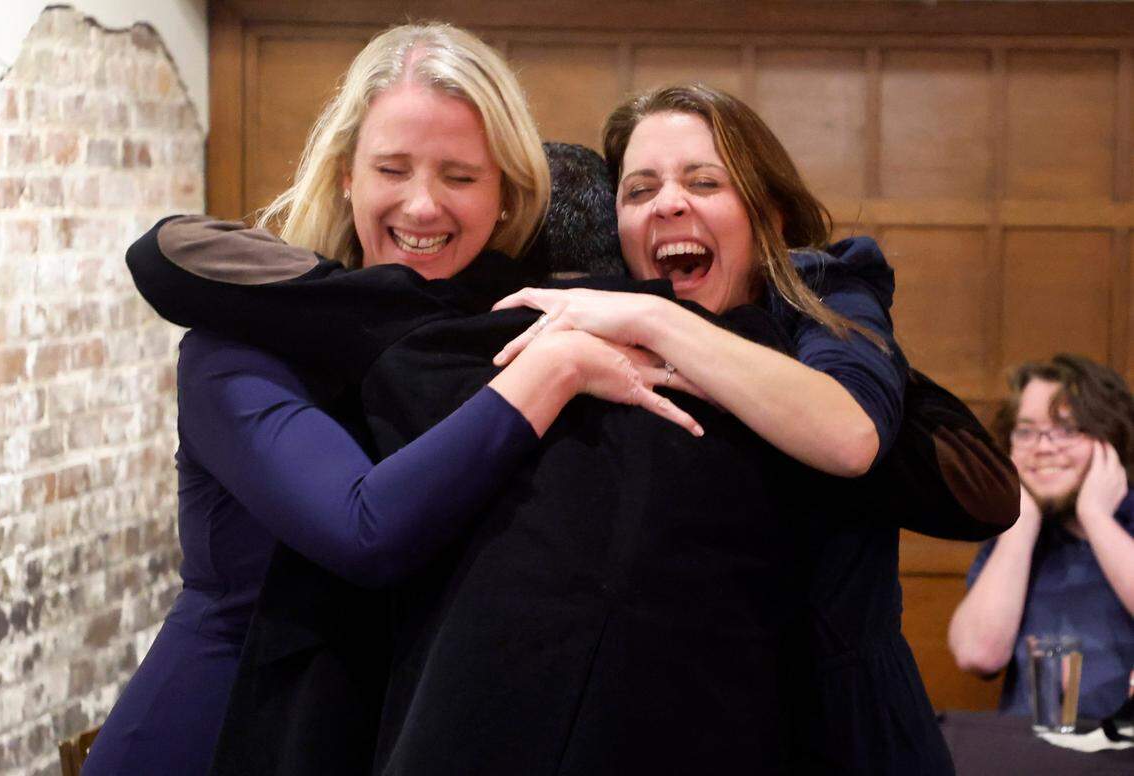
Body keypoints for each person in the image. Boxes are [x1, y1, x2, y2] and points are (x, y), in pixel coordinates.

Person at [129, 84, 1016, 774]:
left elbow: (939, 470)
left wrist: (670, 333)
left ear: (770, 212)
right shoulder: (529, 329)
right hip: (263, 702)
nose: (669, 205)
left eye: (704, 182)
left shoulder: (825, 309)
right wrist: (578, 347)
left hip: (844, 722)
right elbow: (172, 258)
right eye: (642, 189)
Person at [82, 24, 704, 776]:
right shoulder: (237, 347)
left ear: (504, 192)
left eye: (459, 176)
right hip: (215, 733)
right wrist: (560, 366)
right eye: (392, 169)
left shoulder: (486, 330)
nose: (422, 206)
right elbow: (365, 532)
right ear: (347, 175)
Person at [949, 354, 1134, 720]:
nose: (1043, 447)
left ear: (1109, 438)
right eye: (1026, 431)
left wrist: (1095, 517)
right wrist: (1021, 523)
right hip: (1035, 754)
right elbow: (976, 654)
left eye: (1067, 429)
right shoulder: (1015, 541)